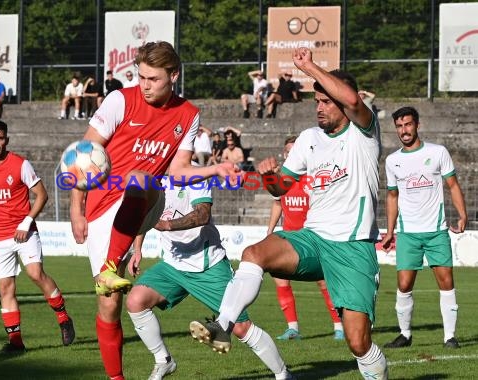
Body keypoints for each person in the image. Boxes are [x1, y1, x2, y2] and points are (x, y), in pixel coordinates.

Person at [189, 47, 388, 380]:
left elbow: (354, 102)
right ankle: (222, 325)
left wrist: (310, 67)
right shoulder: (309, 139)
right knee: (254, 253)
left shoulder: (362, 133)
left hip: (353, 247)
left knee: (358, 342)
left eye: (326, 101)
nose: (319, 108)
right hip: (313, 240)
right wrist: (269, 175)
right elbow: (280, 188)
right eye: (316, 102)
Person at [69, 41, 240, 380]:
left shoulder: (188, 114)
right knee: (109, 303)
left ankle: (108, 267)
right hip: (103, 207)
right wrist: (77, 208)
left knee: (140, 178)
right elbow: (84, 154)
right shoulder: (119, 100)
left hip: (147, 196)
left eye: (152, 78)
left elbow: (177, 170)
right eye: (140, 77)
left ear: (173, 75)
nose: (144, 85)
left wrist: (214, 169)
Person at [126, 176, 294, 380]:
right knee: (136, 301)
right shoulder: (154, 176)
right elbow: (145, 215)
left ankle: (283, 374)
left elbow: (203, 214)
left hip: (207, 265)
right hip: (172, 265)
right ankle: (164, 361)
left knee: (240, 328)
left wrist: (167, 225)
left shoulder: (195, 175)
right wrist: (137, 249)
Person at [0, 120, 75, 353]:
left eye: (0, 138)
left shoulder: (20, 164)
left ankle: (63, 317)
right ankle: (16, 343)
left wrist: (26, 221)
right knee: (5, 289)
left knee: (35, 273)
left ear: (7, 139)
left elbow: (42, 195)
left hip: (25, 232)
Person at [380, 106, 467, 350]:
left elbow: (452, 185)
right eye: (399, 126)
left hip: (436, 231)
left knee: (446, 282)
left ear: (418, 125)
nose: (404, 130)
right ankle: (405, 335)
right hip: (408, 234)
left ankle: (449, 336)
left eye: (408, 124)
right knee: (404, 285)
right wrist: (389, 231)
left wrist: (462, 215)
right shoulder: (393, 161)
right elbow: (392, 197)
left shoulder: (438, 152)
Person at [267, 136, 343, 341]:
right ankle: (292, 329)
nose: (290, 154)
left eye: (294, 150)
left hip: (311, 239)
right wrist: (270, 231)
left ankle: (339, 327)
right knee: (280, 279)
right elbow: (277, 204)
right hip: (288, 238)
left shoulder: (312, 179)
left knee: (324, 284)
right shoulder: (283, 181)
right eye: (287, 151)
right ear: (284, 154)